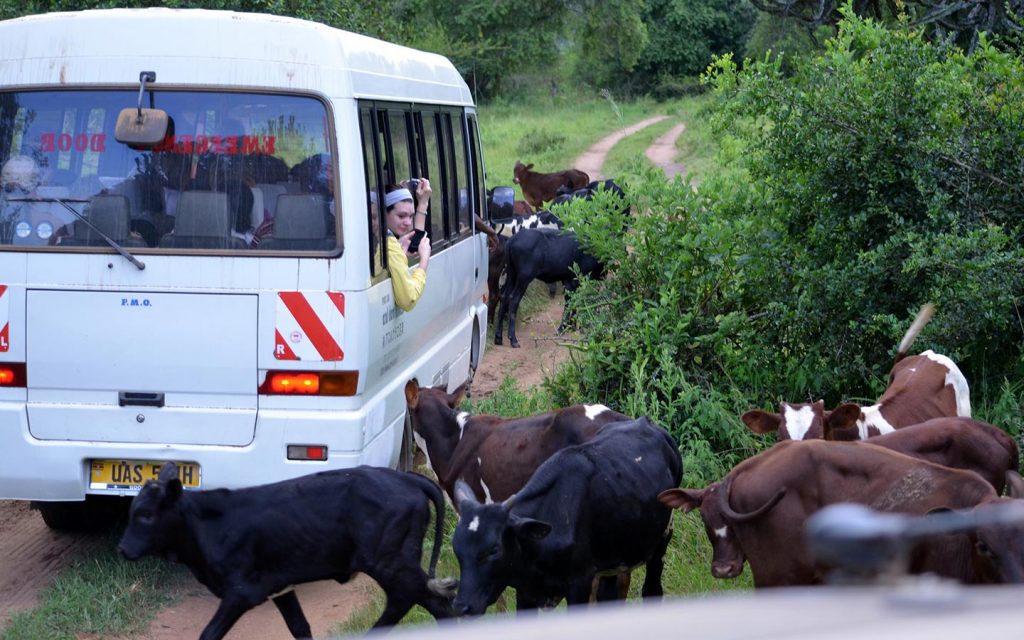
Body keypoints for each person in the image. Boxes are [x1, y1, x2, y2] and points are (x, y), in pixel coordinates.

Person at [384, 178, 432, 311]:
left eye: (411, 217)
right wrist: (423, 262)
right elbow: (408, 299)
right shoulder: (390, 246)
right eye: (401, 216)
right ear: (383, 213)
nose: (408, 223)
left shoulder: (386, 243)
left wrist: (423, 204)